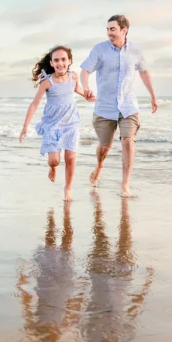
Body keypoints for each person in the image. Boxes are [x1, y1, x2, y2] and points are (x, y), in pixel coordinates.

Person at [80, 15, 158, 197]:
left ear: (124, 30)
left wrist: (153, 96)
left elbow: (144, 72)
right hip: (105, 107)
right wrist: (85, 86)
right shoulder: (99, 50)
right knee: (105, 147)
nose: (109, 33)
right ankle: (99, 166)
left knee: (128, 143)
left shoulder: (136, 50)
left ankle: (125, 185)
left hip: (128, 106)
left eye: (112, 29)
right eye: (107, 29)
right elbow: (85, 70)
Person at [20, 45, 88, 202]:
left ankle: (68, 188)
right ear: (51, 63)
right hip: (52, 125)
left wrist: (90, 96)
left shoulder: (74, 77)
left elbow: (78, 90)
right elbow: (35, 104)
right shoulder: (47, 82)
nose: (60, 63)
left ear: (69, 61)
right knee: (54, 160)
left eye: (63, 59)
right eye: (56, 60)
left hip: (71, 123)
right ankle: (52, 168)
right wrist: (25, 126)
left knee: (70, 158)